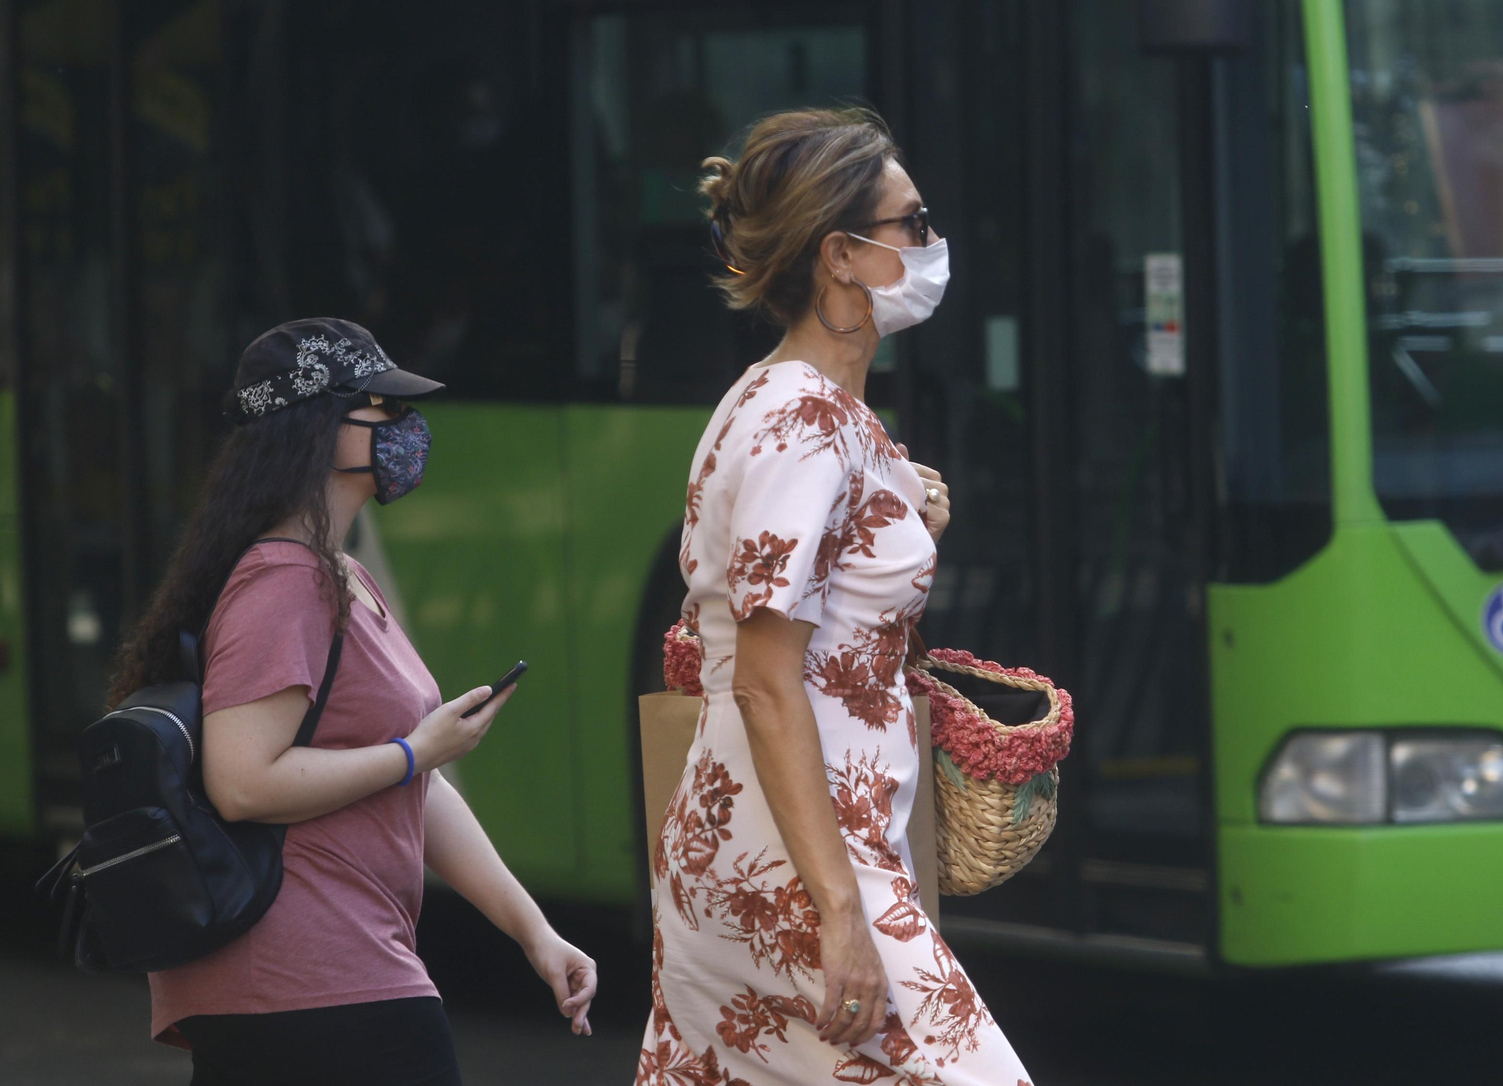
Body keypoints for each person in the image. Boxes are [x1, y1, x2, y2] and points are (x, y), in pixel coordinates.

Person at [638, 110, 1034, 1084]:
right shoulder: (799, 426)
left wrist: (907, 509)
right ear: (840, 257)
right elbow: (768, 685)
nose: (931, 243)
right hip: (791, 863)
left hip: (801, 844)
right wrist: (841, 912)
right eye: (912, 222)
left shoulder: (818, 416)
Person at [109, 318, 597, 1086]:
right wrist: (412, 752)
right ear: (319, 428)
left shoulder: (337, 574)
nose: (407, 428)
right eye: (383, 408)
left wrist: (534, 932)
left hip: (321, 981)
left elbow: (418, 789)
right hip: (310, 982)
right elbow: (241, 783)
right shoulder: (284, 581)